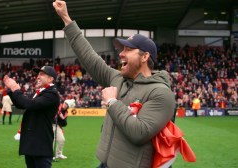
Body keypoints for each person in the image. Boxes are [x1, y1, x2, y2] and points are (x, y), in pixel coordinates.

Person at [53, 1, 176, 167]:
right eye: (121, 49)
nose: (121, 54)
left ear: (145, 57)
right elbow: (90, 57)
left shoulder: (161, 93)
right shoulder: (118, 78)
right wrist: (67, 19)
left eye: (128, 50)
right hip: (105, 163)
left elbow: (139, 133)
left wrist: (112, 102)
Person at [3, 66, 60, 168]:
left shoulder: (52, 94)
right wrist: (11, 90)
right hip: (33, 143)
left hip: (40, 145)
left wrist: (16, 88)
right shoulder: (41, 92)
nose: (38, 76)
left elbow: (28, 104)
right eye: (38, 74)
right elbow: (21, 104)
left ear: (51, 79)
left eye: (42, 74)